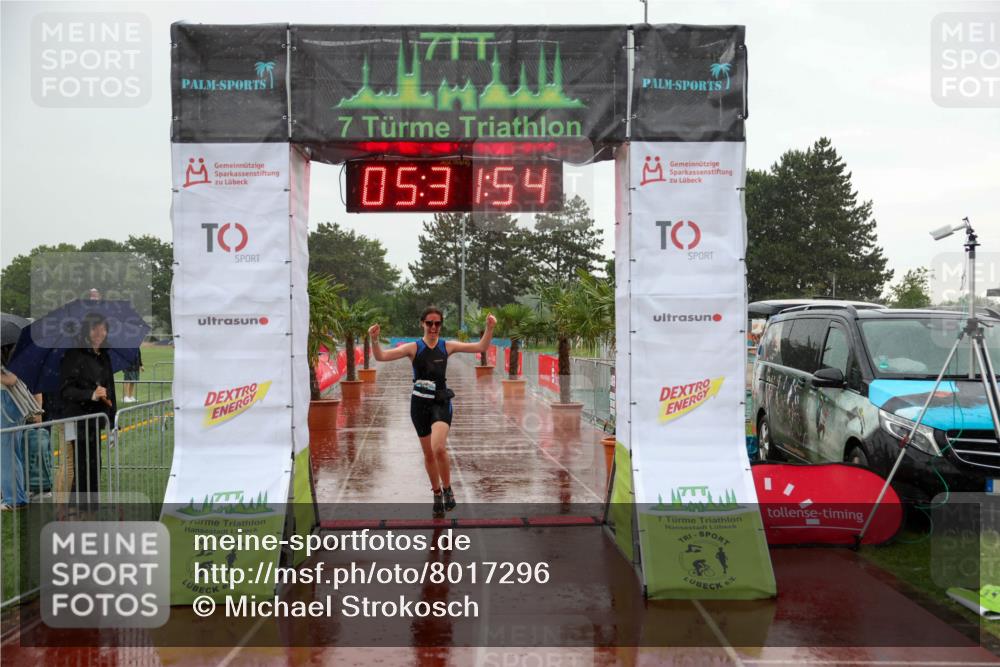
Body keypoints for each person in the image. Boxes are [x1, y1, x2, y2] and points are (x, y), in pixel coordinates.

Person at [368, 308, 496, 518]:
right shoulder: (413, 348)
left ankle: (447, 489)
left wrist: (489, 328)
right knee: (428, 454)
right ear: (422, 324)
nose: (434, 327)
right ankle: (436, 492)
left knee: (438, 448)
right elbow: (381, 357)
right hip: (419, 405)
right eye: (429, 323)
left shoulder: (447, 346)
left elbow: (481, 346)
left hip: (440, 402)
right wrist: (374, 340)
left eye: (437, 324)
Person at [59, 312, 117, 502]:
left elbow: (111, 388)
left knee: (95, 464)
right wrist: (91, 395)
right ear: (87, 330)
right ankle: (77, 509)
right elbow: (66, 390)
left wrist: (113, 418)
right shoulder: (74, 354)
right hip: (77, 419)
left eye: (103, 328)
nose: (100, 332)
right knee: (80, 466)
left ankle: (91, 506)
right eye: (95, 328)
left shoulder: (104, 356)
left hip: (96, 420)